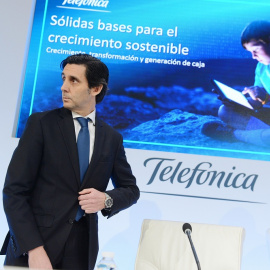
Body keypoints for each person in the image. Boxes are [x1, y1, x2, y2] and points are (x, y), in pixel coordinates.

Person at [1, 54, 140, 270]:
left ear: (96, 89)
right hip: (34, 247)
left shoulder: (112, 138)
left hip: (81, 251)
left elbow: (131, 190)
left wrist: (106, 199)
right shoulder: (41, 124)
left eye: (73, 80)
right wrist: (33, 249)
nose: (64, 87)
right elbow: (14, 191)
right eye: (63, 78)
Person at [202, 20, 270, 146]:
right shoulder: (262, 67)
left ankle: (234, 135)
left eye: (255, 50)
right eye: (250, 52)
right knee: (224, 111)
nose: (253, 56)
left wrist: (265, 97)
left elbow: (266, 98)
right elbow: (258, 102)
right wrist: (238, 103)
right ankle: (260, 136)